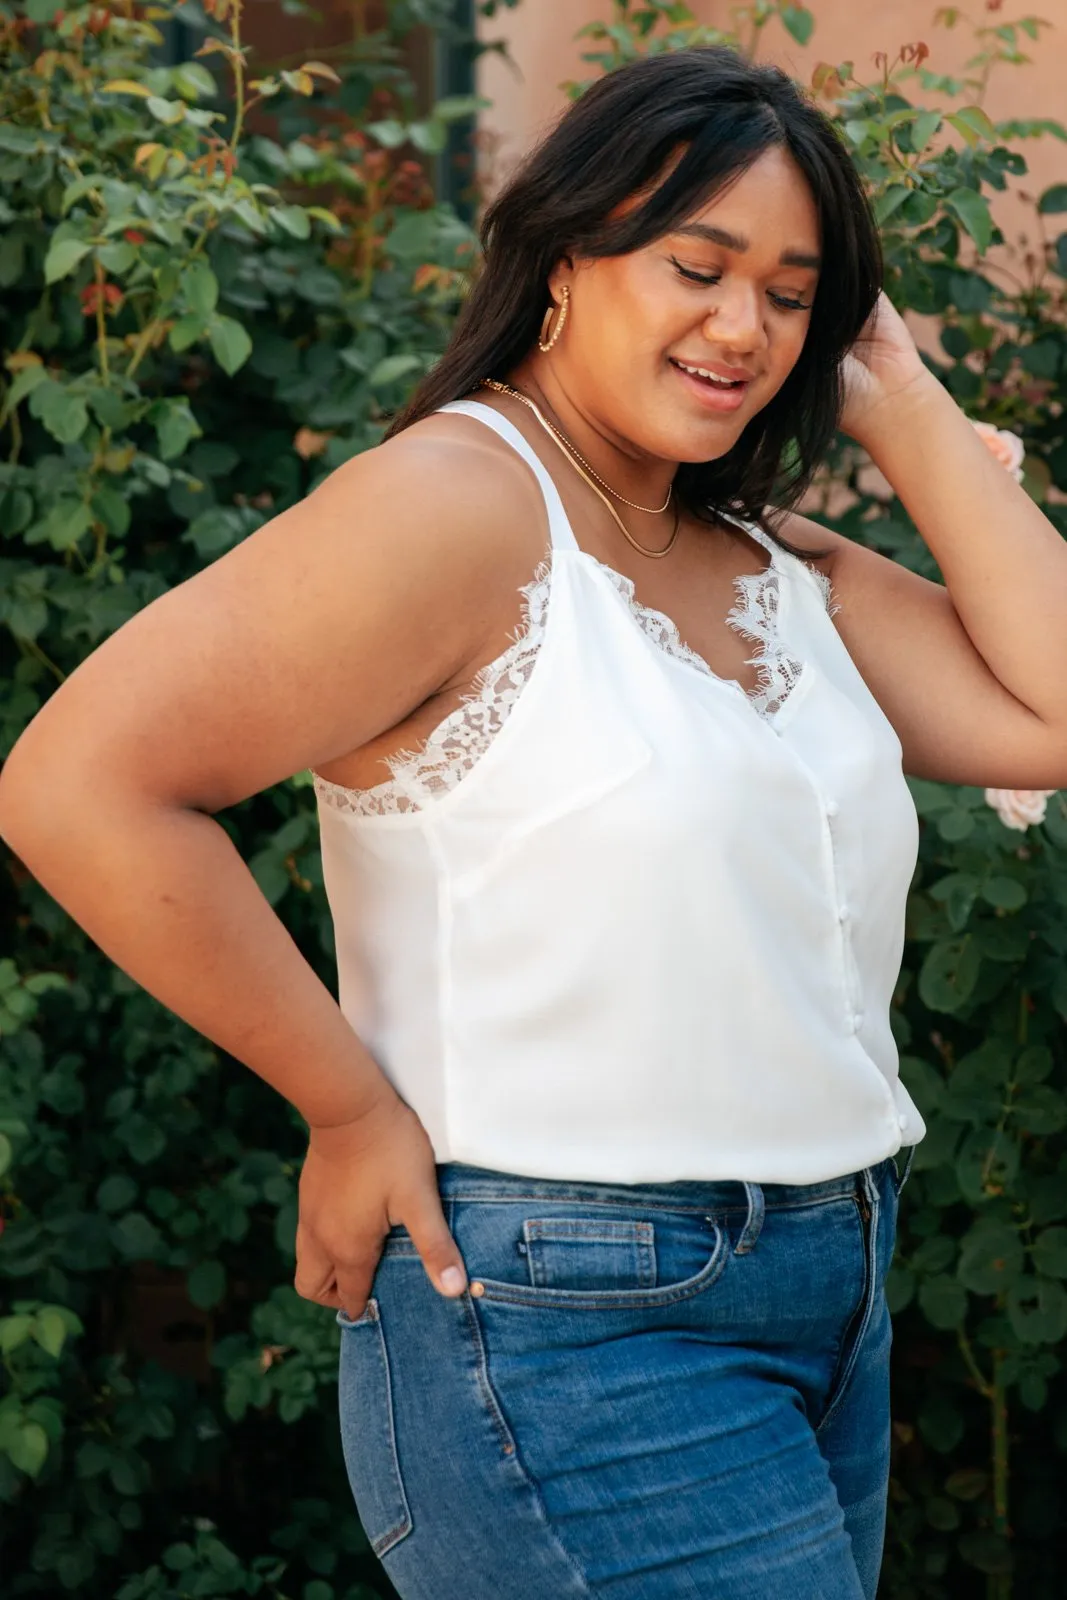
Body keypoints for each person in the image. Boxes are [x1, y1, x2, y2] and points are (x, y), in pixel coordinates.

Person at [2, 42, 1067, 1600]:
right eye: (695, 266)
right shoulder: (454, 507)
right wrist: (345, 1103)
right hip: (565, 1321)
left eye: (790, 292)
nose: (743, 326)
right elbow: (75, 783)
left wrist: (900, 403)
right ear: (565, 257)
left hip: (830, 1281)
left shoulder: (763, 553)